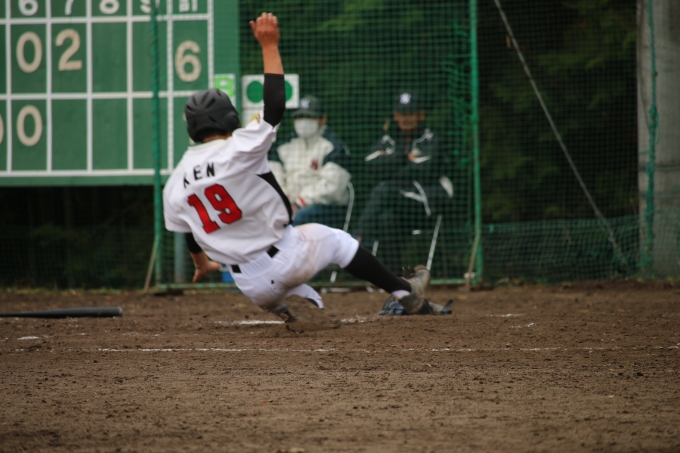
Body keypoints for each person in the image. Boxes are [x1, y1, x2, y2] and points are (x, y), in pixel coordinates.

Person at [163, 13, 431, 329]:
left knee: (304, 302)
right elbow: (275, 106)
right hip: (285, 255)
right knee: (338, 242)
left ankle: (294, 306)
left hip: (249, 283)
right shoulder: (239, 147)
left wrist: (202, 265)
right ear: (229, 119)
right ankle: (406, 292)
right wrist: (269, 45)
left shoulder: (175, 183)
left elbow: (189, 231)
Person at [355, 91, 454, 273]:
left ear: (421, 114)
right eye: (402, 113)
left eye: (411, 113)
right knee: (386, 218)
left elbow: (425, 170)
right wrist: (404, 158)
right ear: (395, 115)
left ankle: (357, 240)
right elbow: (371, 166)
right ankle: (394, 277)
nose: (406, 118)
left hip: (425, 206)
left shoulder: (433, 139)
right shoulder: (389, 140)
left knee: (383, 191)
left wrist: (389, 164)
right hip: (398, 209)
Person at [268, 95, 351, 229]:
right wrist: (284, 201)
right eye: (299, 117)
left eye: (310, 117)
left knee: (297, 218)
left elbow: (332, 188)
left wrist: (300, 202)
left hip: (325, 209)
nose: (303, 121)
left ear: (322, 119)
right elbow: (273, 178)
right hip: (287, 206)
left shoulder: (333, 147)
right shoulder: (282, 146)